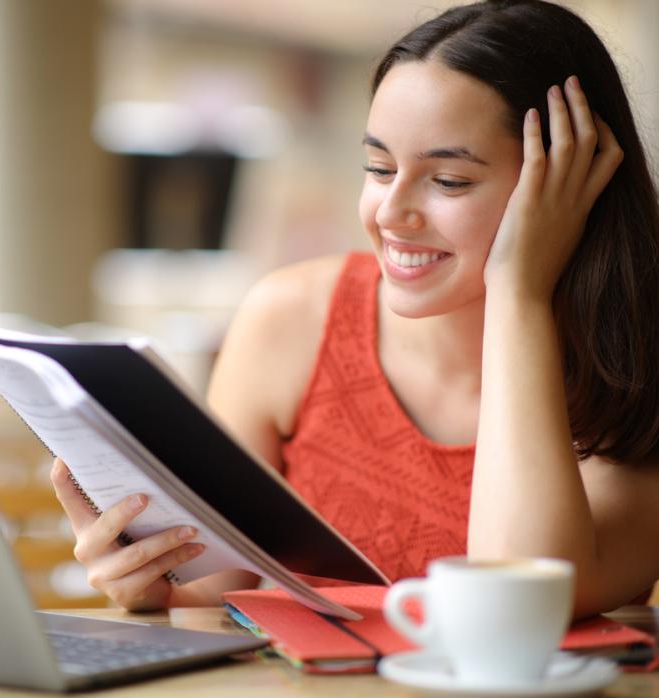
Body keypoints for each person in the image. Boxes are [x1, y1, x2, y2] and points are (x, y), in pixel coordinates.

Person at [50, 0, 659, 619]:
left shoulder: (637, 371)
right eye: (379, 167)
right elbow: (213, 593)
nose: (391, 213)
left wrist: (519, 291)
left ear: (572, 184)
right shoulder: (290, 321)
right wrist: (152, 585)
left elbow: (524, 601)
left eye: (449, 180)